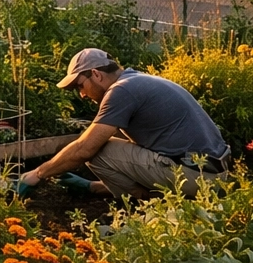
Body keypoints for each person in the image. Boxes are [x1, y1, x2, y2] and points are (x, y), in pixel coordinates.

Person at [19, 48, 229, 200]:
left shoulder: (121, 91)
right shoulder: (136, 80)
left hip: (196, 178)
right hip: (213, 173)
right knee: (110, 142)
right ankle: (97, 188)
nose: (81, 94)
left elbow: (86, 148)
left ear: (96, 74)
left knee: (98, 151)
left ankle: (148, 208)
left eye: (79, 86)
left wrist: (38, 174)